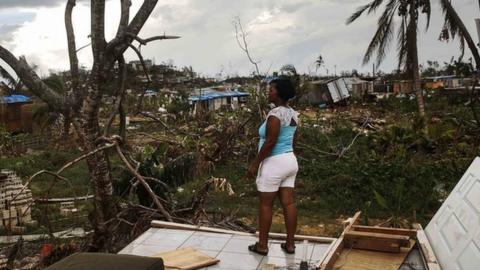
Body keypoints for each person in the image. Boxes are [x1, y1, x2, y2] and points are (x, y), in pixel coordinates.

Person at [247, 77, 299, 255]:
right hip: (290, 161)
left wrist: (255, 163)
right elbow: (294, 140)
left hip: (274, 163)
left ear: (279, 93)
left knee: (266, 205)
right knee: (288, 203)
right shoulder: (294, 114)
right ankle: (290, 244)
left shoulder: (275, 114)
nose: (268, 92)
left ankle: (262, 245)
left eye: (271, 89)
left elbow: (270, 142)